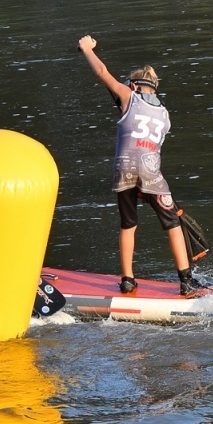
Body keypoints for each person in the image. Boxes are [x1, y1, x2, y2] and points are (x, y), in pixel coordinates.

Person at [77, 35, 204, 296]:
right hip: (152, 172)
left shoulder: (127, 95)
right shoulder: (166, 115)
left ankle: (127, 280)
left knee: (128, 225)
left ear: (134, 85)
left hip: (124, 169)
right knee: (172, 224)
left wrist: (86, 49)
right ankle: (186, 280)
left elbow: (102, 72)